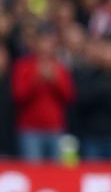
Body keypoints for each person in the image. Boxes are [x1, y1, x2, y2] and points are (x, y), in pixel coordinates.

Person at [12, 26, 74, 161]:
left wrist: (55, 80)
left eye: (49, 42)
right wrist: (36, 79)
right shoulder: (23, 66)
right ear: (35, 43)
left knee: (56, 174)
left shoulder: (60, 67)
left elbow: (69, 96)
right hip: (30, 130)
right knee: (34, 172)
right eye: (42, 41)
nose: (46, 46)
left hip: (55, 129)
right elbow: (19, 95)